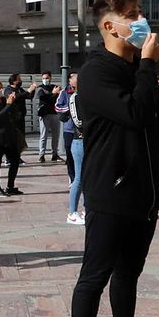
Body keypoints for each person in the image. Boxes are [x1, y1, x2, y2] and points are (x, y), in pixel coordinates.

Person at [64, 0, 159, 317]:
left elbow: (155, 127)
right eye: (132, 15)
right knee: (94, 277)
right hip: (110, 191)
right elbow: (134, 112)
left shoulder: (136, 70)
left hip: (144, 194)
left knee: (128, 274)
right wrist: (148, 64)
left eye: (140, 11)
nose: (141, 20)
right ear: (110, 26)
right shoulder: (96, 72)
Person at [58, 72, 85, 223]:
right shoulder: (74, 97)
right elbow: (78, 121)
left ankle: (86, 210)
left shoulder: (88, 97)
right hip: (79, 140)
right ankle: (72, 213)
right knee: (79, 178)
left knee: (86, 178)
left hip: (88, 141)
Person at [35, 71, 62, 163]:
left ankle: (55, 154)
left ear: (50, 78)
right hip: (44, 114)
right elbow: (43, 98)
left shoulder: (55, 87)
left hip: (54, 113)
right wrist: (53, 94)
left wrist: (54, 94)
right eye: (43, 78)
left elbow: (58, 98)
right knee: (44, 135)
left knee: (56, 135)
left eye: (47, 78)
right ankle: (41, 155)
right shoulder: (40, 88)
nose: (45, 80)